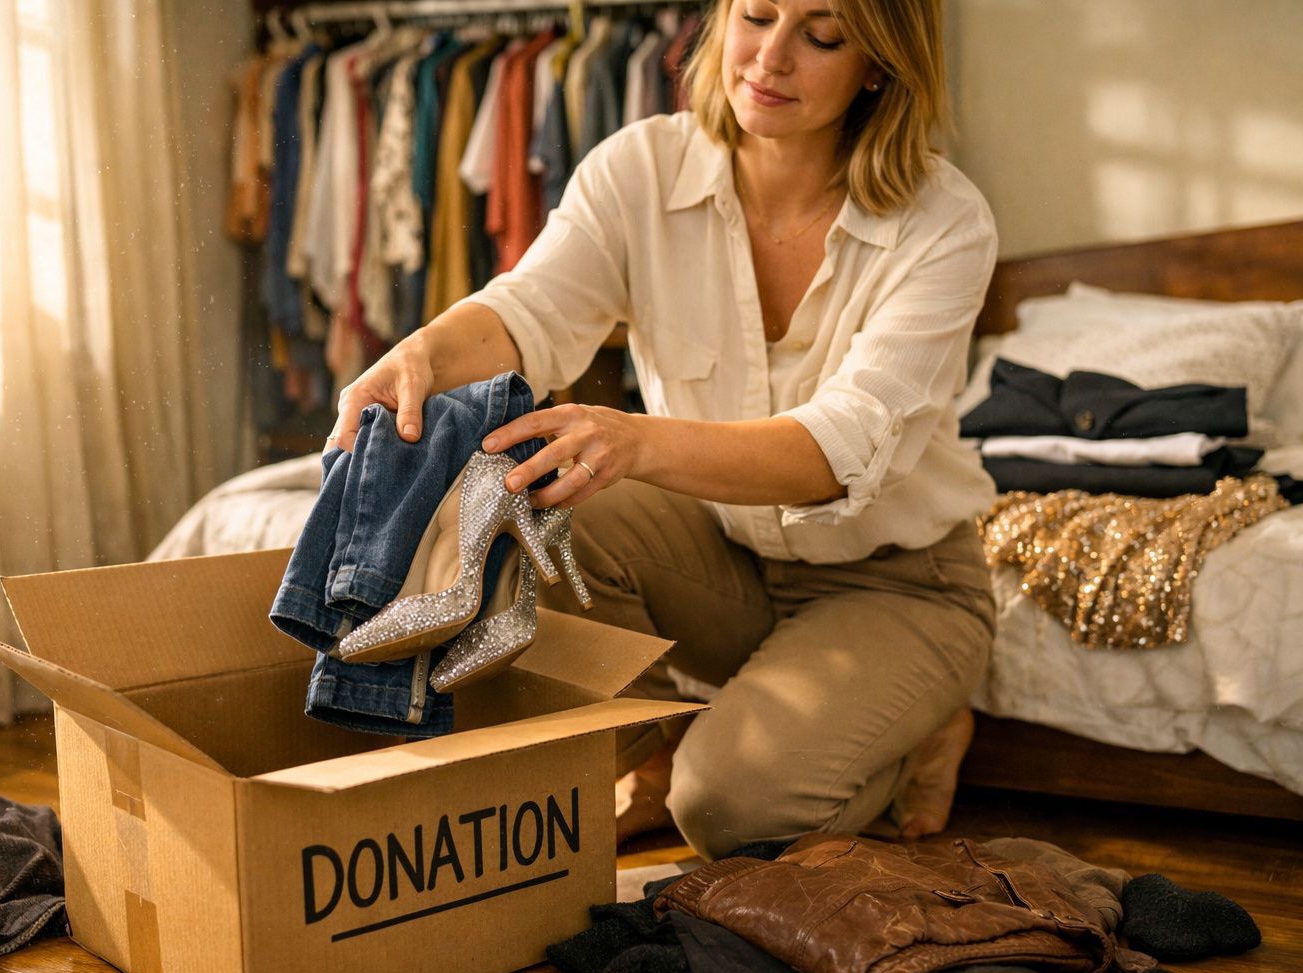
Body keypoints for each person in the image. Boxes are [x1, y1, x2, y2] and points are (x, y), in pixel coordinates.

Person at [328, 0, 998, 860]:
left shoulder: (944, 220)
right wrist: (420, 353)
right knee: (527, 496)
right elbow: (532, 309)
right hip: (726, 556)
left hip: (897, 584)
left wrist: (636, 439)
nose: (770, 58)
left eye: (821, 36)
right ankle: (653, 749)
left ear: (879, 63)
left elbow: (839, 445)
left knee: (729, 809)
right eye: (757, 16)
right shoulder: (640, 168)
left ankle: (919, 731)